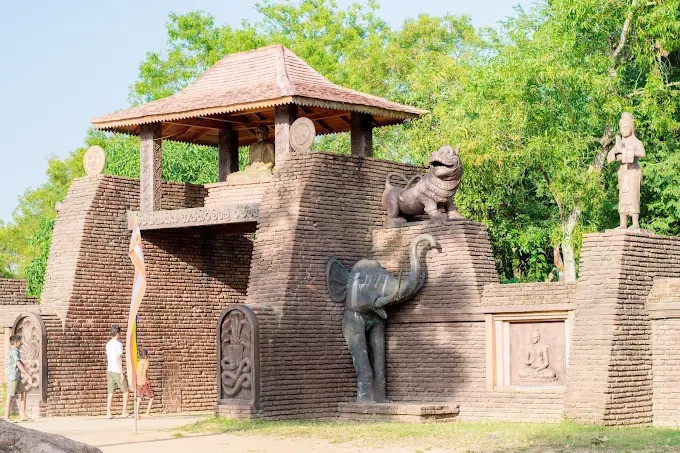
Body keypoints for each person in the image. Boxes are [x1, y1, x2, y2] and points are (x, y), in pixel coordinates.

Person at [607, 112, 646, 229]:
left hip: (633, 172)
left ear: (631, 127)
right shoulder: (620, 143)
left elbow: (642, 154)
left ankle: (635, 222)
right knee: (622, 196)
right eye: (620, 128)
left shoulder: (636, 142)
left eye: (625, 127)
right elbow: (609, 157)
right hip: (622, 172)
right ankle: (623, 223)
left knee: (633, 195)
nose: (622, 130)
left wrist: (629, 152)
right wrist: (615, 151)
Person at [4, 335, 29, 421]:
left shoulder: (12, 351)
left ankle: (23, 414)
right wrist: (26, 374)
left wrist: (23, 363)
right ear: (15, 343)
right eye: (20, 341)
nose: (21, 343)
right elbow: (17, 363)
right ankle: (6, 417)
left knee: (23, 392)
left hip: (16, 377)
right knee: (10, 395)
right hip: (13, 377)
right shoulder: (15, 351)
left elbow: (17, 360)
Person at [105, 325, 129, 419]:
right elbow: (119, 358)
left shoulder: (108, 344)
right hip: (117, 371)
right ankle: (123, 412)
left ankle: (108, 413)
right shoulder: (118, 344)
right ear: (118, 334)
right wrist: (122, 372)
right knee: (125, 391)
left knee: (110, 392)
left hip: (109, 370)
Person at [135, 347, 154, 419]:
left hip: (138, 382)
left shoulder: (138, 362)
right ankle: (147, 413)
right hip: (145, 381)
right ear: (146, 355)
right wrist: (147, 379)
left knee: (139, 398)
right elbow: (145, 371)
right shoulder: (146, 362)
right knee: (151, 397)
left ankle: (137, 414)